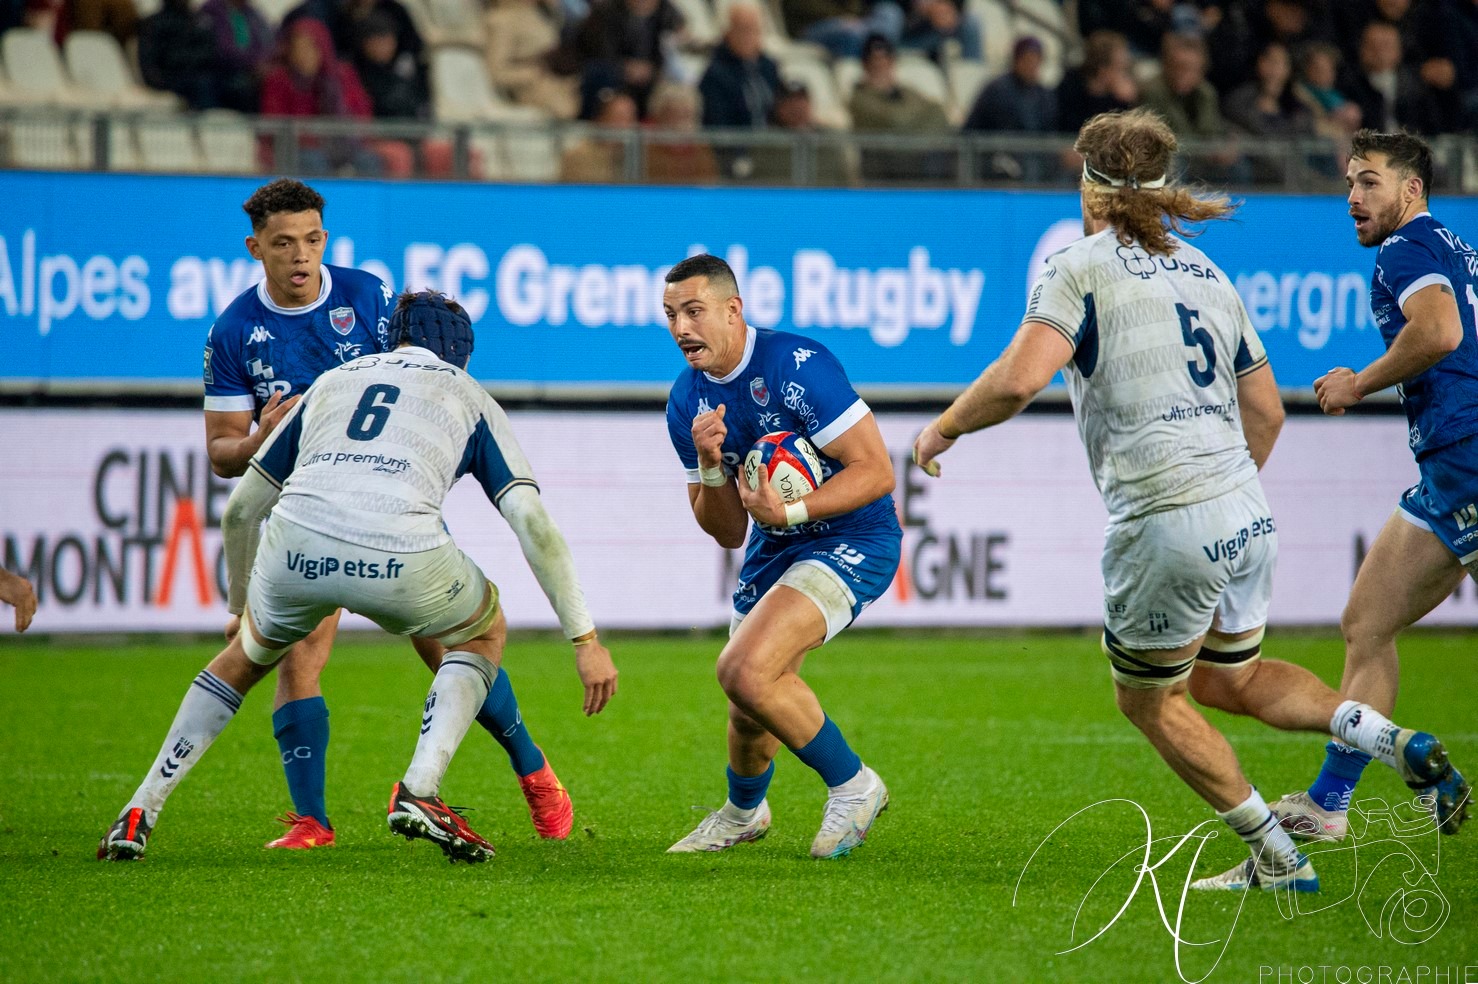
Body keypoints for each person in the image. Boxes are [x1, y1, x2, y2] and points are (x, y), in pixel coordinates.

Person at [911, 108, 1468, 891]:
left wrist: (940, 431)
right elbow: (1267, 412)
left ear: (1095, 190)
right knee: (1225, 680)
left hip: (1168, 514)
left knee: (1148, 701)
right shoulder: (1207, 273)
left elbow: (1016, 379)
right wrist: (1227, 493)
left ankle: (1277, 856)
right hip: (1244, 508)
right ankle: (1388, 736)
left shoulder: (1078, 266)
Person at [99, 292, 618, 862]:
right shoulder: (470, 395)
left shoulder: (332, 381)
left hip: (296, 545)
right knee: (481, 630)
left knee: (246, 658)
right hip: (401, 554)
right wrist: (584, 639)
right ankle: (420, 789)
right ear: (461, 353)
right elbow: (532, 523)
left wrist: (239, 603)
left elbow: (241, 510)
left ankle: (140, 809)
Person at [203, 179, 580, 850]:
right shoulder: (235, 330)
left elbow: (425, 376)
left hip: (384, 502)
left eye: (313, 240)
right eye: (284, 244)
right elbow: (222, 455)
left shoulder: (368, 296)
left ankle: (533, 767)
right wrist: (261, 437)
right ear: (255, 247)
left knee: (447, 648)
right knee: (298, 655)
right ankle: (313, 821)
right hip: (305, 507)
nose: (301, 257)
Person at [1270, 130, 1476, 842]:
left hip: (1467, 459)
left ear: (1411, 190)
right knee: (1367, 622)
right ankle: (1328, 804)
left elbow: (1441, 332)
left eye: (1370, 182)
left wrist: (1358, 380)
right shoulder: (1459, 249)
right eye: (1350, 183)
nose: (1354, 198)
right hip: (1449, 470)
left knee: (1366, 623)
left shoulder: (1405, 249)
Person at [662, 254, 900, 859]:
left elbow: (876, 470)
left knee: (743, 669)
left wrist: (794, 511)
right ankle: (744, 813)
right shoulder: (685, 401)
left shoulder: (797, 365)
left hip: (853, 537)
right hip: (775, 545)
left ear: (733, 309)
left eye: (693, 311)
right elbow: (726, 533)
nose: (681, 328)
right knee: (748, 704)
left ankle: (853, 786)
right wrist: (712, 467)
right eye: (670, 315)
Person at [699, 2, 782, 130]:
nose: (748, 36)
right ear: (727, 32)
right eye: (742, 29)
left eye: (754, 29)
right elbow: (718, 126)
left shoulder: (769, 67)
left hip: (767, 146)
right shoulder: (715, 74)